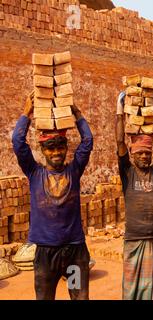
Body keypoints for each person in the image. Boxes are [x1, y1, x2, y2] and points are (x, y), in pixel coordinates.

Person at [12, 92, 93, 300]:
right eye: (51, 148)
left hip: (74, 253)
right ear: (42, 150)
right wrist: (26, 113)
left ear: (66, 148)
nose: (56, 152)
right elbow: (18, 143)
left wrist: (76, 113)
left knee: (79, 297)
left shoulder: (74, 171)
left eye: (60, 147)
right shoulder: (34, 173)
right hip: (46, 255)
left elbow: (87, 141)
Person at [116, 92, 153, 300]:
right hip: (133, 241)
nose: (145, 157)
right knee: (131, 292)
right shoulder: (127, 173)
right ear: (133, 154)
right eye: (140, 153)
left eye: (147, 153)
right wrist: (119, 111)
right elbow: (120, 142)